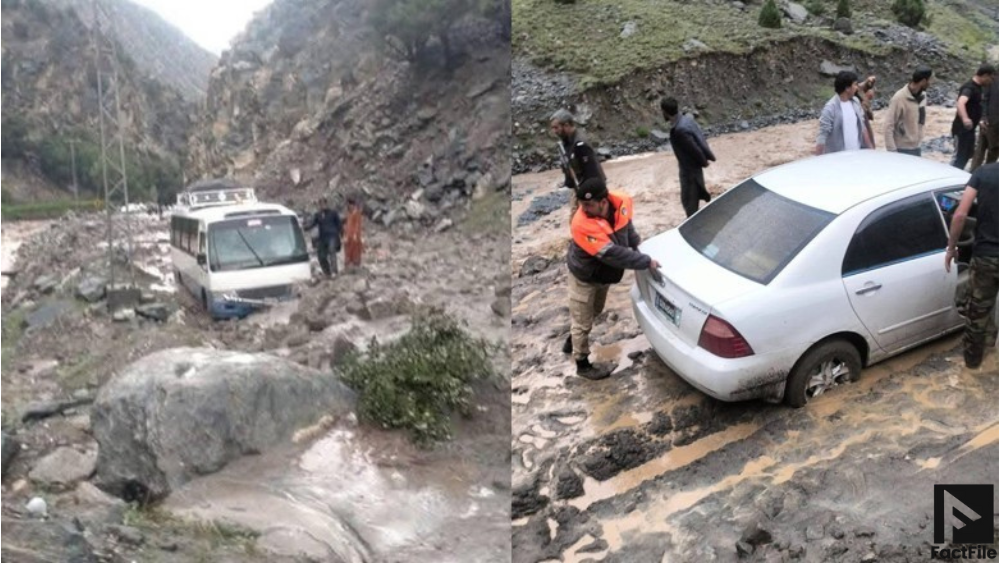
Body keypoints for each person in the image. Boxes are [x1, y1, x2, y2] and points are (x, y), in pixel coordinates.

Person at [563, 178, 660, 380]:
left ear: (604, 201)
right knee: (582, 322)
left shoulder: (621, 203)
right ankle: (582, 364)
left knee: (595, 311)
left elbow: (628, 229)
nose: (585, 209)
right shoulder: (581, 223)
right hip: (584, 276)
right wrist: (645, 261)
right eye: (582, 205)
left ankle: (572, 340)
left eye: (589, 205)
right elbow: (613, 254)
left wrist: (638, 247)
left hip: (603, 276)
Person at [945, 162, 998, 369]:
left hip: (986, 258)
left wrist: (951, 248)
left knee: (978, 313)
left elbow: (959, 215)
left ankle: (972, 365)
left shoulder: (983, 173)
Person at [660, 97, 716, 218]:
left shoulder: (679, 130)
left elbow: (694, 149)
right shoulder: (686, 119)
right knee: (693, 198)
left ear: (664, 112)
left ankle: (693, 227)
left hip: (689, 170)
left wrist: (703, 162)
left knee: (689, 202)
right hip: (692, 167)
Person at [551, 109, 605, 220]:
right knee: (576, 220)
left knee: (589, 220)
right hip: (577, 187)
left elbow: (592, 172)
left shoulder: (580, 144)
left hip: (589, 190)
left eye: (556, 128)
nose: (554, 131)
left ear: (566, 125)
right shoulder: (566, 142)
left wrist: (588, 196)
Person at [815, 70, 873, 155]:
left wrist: (870, 149)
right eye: (855, 84)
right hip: (838, 159)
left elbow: (862, 128)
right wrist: (818, 160)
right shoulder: (830, 108)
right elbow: (822, 135)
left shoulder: (856, 102)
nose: (857, 88)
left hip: (858, 155)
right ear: (847, 88)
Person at [951, 64, 995, 170]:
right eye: (991, 78)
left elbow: (975, 107)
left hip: (969, 130)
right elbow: (961, 103)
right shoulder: (969, 87)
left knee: (967, 155)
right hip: (962, 130)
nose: (991, 81)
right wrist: (965, 119)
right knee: (959, 157)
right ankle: (948, 178)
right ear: (985, 75)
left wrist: (980, 120)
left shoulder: (978, 88)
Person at [884, 65, 933, 156]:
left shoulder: (923, 96)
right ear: (923, 81)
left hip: (916, 147)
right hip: (901, 149)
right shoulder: (899, 98)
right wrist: (892, 152)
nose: (931, 83)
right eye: (929, 80)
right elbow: (888, 126)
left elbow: (920, 121)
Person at [303, 196, 342, 277]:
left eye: (323, 203)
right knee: (321, 256)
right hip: (323, 238)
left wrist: (341, 234)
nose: (322, 205)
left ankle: (334, 272)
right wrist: (305, 227)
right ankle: (327, 273)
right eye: (320, 204)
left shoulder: (333, 213)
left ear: (326, 204)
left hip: (332, 236)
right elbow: (312, 224)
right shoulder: (318, 215)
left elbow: (339, 224)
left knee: (332, 251)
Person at [970, 76, 999, 170]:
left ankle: (985, 175)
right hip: (989, 121)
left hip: (995, 123)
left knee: (994, 151)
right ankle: (972, 174)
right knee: (981, 149)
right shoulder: (993, 80)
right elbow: (984, 99)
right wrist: (983, 117)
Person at [855, 75, 877, 149]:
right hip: (859, 130)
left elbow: (860, 87)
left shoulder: (854, 89)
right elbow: (859, 113)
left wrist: (868, 82)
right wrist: (866, 99)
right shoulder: (850, 99)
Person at [343, 196, 364, 269]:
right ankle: (349, 264)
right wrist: (345, 234)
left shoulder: (356, 213)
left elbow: (357, 224)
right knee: (348, 249)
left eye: (349, 205)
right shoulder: (349, 214)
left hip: (354, 235)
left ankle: (355, 264)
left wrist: (355, 234)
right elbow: (347, 225)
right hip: (349, 235)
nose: (349, 207)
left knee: (355, 250)